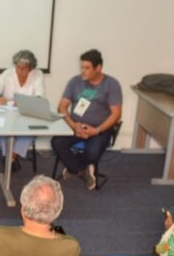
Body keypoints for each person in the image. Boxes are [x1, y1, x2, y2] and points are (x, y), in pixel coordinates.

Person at [51, 49, 122, 191]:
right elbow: (62, 107)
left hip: (99, 129)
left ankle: (73, 168)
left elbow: (116, 114)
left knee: (92, 153)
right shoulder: (75, 81)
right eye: (82, 67)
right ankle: (82, 170)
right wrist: (73, 125)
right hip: (76, 126)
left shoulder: (111, 84)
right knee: (56, 143)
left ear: (98, 68)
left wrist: (96, 130)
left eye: (87, 68)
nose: (83, 71)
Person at [0, 49, 45, 172]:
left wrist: (23, 102)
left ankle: (10, 157)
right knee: (1, 132)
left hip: (26, 116)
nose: (19, 71)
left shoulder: (37, 75)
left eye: (23, 68)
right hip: (7, 116)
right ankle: (12, 158)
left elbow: (39, 98)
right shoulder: (7, 73)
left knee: (29, 134)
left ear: (30, 69)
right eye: (17, 67)